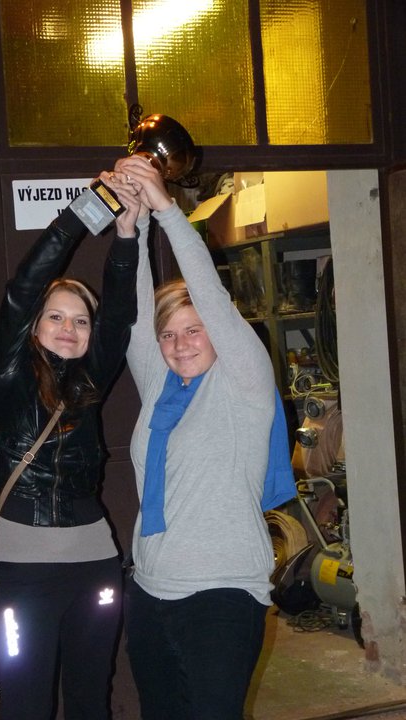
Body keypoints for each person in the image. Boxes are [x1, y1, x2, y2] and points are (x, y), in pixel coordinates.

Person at [109, 155, 295, 720]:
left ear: (218, 331)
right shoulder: (161, 385)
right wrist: (132, 227)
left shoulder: (245, 382)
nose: (180, 343)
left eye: (194, 330)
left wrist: (165, 209)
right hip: (150, 590)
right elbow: (134, 317)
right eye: (170, 335)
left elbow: (210, 294)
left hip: (222, 594)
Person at [0, 176, 141, 720]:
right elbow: (24, 286)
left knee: (91, 696)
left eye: (80, 320)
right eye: (55, 316)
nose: (69, 328)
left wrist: (126, 234)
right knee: (25, 701)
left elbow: (120, 317)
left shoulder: (89, 383)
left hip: (96, 563)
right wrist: (89, 208)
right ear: (33, 326)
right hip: (24, 569)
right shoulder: (9, 375)